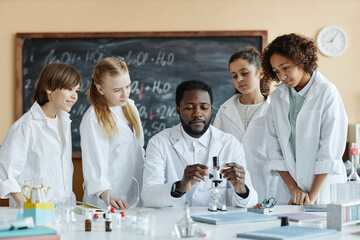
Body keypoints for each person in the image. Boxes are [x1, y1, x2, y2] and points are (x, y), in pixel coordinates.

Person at [141, 80, 257, 208]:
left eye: (204, 107)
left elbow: (250, 202)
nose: (197, 114)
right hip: (173, 224)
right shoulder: (159, 142)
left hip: (215, 223)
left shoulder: (230, 144)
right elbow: (148, 196)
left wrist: (241, 189)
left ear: (211, 110)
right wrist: (180, 186)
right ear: (178, 110)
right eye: (189, 108)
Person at [261, 33, 348, 205]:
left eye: (285, 68)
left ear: (302, 61)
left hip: (322, 190)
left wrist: (313, 195)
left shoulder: (326, 92)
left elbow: (329, 151)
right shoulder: (278, 97)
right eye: (276, 71)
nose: (281, 76)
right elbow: (274, 148)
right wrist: (293, 189)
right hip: (290, 191)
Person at [0, 62, 81, 207]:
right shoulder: (26, 125)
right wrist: (27, 206)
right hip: (34, 213)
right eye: (69, 89)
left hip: (64, 209)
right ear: (49, 88)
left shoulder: (64, 122)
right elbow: (5, 173)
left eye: (76, 90)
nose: (74, 96)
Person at [213, 47, 277, 202]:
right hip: (234, 189)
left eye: (244, 73)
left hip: (269, 185)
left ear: (260, 73)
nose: (239, 79)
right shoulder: (225, 111)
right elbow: (215, 150)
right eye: (234, 76)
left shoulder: (274, 109)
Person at [80, 57, 144, 210]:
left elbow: (138, 149)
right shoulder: (93, 119)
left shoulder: (130, 106)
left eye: (128, 86)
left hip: (135, 195)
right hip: (108, 202)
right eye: (117, 90)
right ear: (100, 89)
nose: (125, 94)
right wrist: (107, 196)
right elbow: (94, 166)